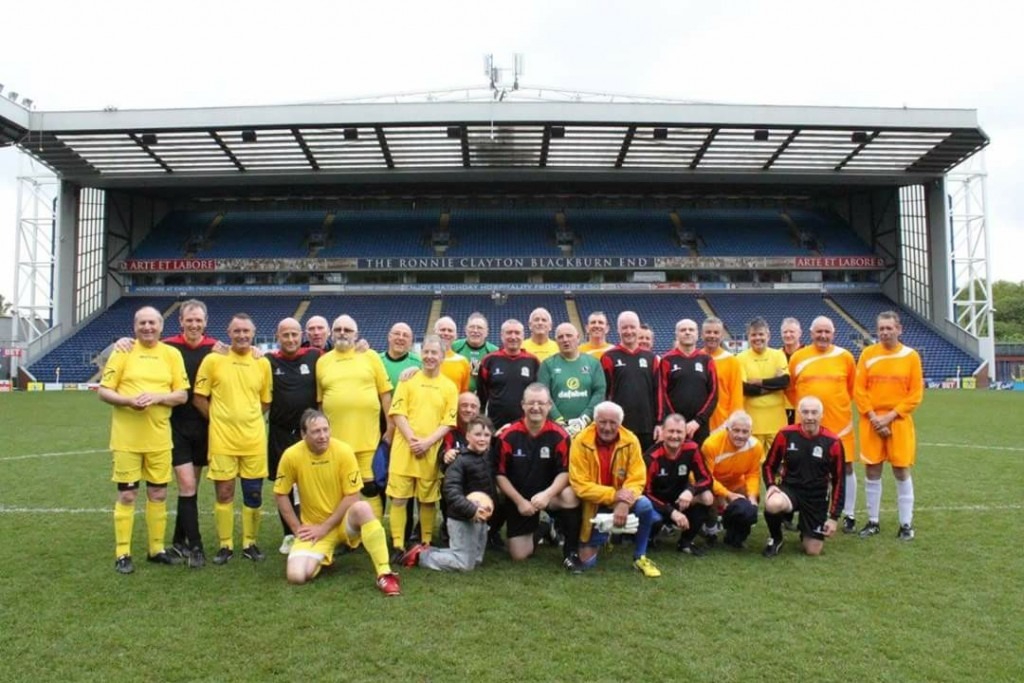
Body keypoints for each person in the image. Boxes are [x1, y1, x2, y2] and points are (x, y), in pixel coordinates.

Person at [98, 306, 189, 574]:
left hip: (160, 438)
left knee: (158, 493)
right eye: (142, 323)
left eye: (152, 323)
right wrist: (129, 401)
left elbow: (182, 394)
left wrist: (158, 397)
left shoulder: (171, 354)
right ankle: (122, 553)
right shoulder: (123, 351)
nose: (147, 327)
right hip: (127, 439)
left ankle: (156, 549)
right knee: (127, 495)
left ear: (161, 326)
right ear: (135, 326)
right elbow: (104, 391)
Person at [274, 409, 401, 596]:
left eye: (326, 429)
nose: (323, 436)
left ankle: (385, 573)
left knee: (363, 508)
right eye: (316, 431)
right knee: (296, 576)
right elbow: (280, 494)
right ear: (303, 434)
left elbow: (353, 496)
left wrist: (325, 527)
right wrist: (297, 529)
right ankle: (325, 555)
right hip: (314, 529)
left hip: (342, 523)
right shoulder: (291, 455)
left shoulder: (343, 451)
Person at [193, 313, 273, 565]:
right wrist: (218, 420)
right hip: (222, 441)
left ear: (253, 333)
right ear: (229, 333)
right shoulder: (213, 360)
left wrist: (247, 418)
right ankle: (225, 544)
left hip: (253, 440)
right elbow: (199, 397)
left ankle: (250, 543)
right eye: (237, 331)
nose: (241, 335)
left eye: (246, 331)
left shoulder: (262, 363)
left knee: (254, 495)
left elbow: (266, 400)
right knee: (224, 492)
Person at [495, 384, 584, 571]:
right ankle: (543, 527)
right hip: (520, 498)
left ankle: (571, 550)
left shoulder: (559, 435)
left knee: (571, 496)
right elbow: (500, 475)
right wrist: (519, 501)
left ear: (549, 405)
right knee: (519, 556)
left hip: (549, 497)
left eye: (541, 403)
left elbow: (565, 472)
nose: (536, 407)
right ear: (523, 405)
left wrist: (547, 494)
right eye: (531, 403)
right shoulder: (508, 435)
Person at [569, 401, 661, 578]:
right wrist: (614, 495)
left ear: (620, 423)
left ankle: (640, 556)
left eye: (613, 423)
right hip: (594, 504)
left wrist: (624, 501)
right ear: (595, 421)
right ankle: (605, 537)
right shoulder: (580, 441)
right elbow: (579, 484)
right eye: (602, 422)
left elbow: (637, 478)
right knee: (587, 563)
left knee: (645, 506)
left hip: (622, 499)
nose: (607, 427)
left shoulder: (631, 440)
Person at [853, 311, 924, 541]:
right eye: (881, 328)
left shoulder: (910, 356)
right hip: (871, 421)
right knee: (872, 470)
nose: (884, 332)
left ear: (899, 329)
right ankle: (873, 521)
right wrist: (875, 418)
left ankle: (906, 524)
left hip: (899, 422)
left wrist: (890, 417)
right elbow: (859, 390)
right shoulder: (867, 354)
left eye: (889, 328)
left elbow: (915, 394)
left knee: (901, 470)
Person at [386, 335, 458, 557]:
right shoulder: (408, 380)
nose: (429, 357)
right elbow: (398, 412)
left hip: (430, 450)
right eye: (426, 352)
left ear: (442, 356)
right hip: (404, 449)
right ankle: (398, 545)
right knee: (399, 498)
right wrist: (412, 440)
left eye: (434, 353)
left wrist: (427, 442)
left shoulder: (449, 387)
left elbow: (449, 421)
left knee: (427, 499)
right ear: (421, 354)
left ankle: (425, 543)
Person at [316, 314, 394, 519]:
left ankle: (371, 531)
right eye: (338, 329)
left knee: (370, 488)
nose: (342, 333)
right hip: (336, 442)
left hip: (367, 439)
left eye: (347, 330)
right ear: (331, 333)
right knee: (341, 490)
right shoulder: (322, 362)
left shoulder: (370, 356)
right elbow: (320, 402)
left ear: (356, 334)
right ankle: (347, 536)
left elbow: (385, 394)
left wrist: (390, 427)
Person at [786, 316, 858, 532]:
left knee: (845, 468)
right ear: (811, 333)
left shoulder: (845, 357)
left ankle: (849, 514)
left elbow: (852, 388)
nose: (823, 335)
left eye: (827, 332)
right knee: (805, 468)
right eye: (819, 331)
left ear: (833, 334)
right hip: (806, 427)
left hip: (840, 424)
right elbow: (791, 390)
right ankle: (799, 512)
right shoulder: (798, 357)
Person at [162, 299, 219, 567]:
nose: (194, 324)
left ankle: (177, 541)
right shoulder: (167, 347)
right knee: (186, 485)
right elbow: (141, 346)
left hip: (207, 428)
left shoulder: (216, 350)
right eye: (189, 320)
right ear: (181, 321)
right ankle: (196, 546)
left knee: (190, 488)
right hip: (176, 427)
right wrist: (122, 343)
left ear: (206, 322)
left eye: (199, 320)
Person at [402, 416, 497, 572]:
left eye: (486, 435)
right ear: (467, 436)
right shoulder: (459, 460)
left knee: (476, 560)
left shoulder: (486, 457)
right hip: (462, 518)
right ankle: (420, 556)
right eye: (478, 434)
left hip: (481, 517)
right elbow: (451, 491)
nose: (482, 439)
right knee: (464, 564)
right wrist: (471, 510)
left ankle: (428, 550)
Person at [761, 396, 845, 557]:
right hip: (790, 490)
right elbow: (768, 465)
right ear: (799, 414)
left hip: (817, 496)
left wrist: (834, 517)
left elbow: (839, 480)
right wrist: (771, 485)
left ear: (821, 415)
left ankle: (806, 529)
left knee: (813, 551)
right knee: (773, 503)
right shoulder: (785, 434)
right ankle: (776, 537)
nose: (810, 417)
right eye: (805, 412)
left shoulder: (832, 441)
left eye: (814, 412)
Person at [267, 317, 322, 554]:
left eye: (294, 334)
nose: (290, 339)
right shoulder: (267, 360)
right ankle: (290, 534)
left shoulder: (314, 356)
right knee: (285, 485)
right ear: (277, 336)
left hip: (308, 435)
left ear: (302, 336)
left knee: (312, 483)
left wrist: (361, 346)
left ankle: (314, 529)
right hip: (279, 434)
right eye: (285, 335)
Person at [644, 413, 714, 555]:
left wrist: (691, 490)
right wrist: (671, 511)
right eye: (671, 431)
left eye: (679, 432)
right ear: (662, 432)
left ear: (685, 433)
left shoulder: (692, 449)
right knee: (651, 515)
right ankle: (649, 538)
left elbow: (707, 479)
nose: (675, 436)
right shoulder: (651, 457)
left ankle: (686, 542)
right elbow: (645, 492)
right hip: (658, 504)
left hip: (680, 499)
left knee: (707, 497)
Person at [701, 410, 763, 549]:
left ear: (751, 432)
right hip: (713, 484)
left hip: (735, 483)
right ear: (728, 429)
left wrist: (752, 497)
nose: (740, 435)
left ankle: (735, 536)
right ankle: (709, 529)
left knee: (751, 503)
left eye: (745, 432)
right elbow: (706, 478)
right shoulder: (711, 445)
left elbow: (753, 474)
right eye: (736, 430)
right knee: (708, 497)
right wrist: (727, 495)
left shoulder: (755, 446)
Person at [601, 311, 660, 451]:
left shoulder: (651, 358)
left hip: (647, 426)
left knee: (644, 469)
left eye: (632, 327)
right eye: (624, 327)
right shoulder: (609, 357)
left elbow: (658, 393)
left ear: (638, 329)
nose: (629, 331)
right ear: (618, 330)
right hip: (619, 426)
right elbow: (604, 394)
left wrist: (660, 422)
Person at [537, 322, 606, 436]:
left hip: (587, 429)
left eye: (569, 335)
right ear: (556, 341)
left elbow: (599, 392)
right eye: (560, 337)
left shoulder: (593, 363)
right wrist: (559, 421)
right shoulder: (547, 365)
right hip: (557, 430)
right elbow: (543, 396)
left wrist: (584, 419)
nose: (565, 340)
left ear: (578, 337)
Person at [658, 318, 717, 446]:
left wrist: (698, 421)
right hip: (674, 427)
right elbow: (661, 394)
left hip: (699, 426)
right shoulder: (667, 360)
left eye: (691, 330)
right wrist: (675, 421)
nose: (687, 332)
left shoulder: (706, 360)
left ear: (697, 335)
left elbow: (713, 394)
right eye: (683, 330)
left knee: (699, 462)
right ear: (677, 334)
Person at [737, 316, 790, 451]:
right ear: (748, 337)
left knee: (778, 465)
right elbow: (745, 388)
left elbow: (784, 382)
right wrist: (773, 385)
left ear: (768, 335)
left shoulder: (778, 355)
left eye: (761, 334)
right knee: (753, 466)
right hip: (751, 423)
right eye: (753, 335)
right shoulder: (740, 358)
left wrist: (758, 382)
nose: (757, 338)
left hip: (777, 422)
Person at [477, 319, 540, 430]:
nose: (513, 336)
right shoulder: (489, 360)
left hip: (526, 425)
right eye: (509, 332)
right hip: (495, 425)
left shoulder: (533, 361)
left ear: (523, 336)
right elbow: (482, 394)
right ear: (501, 335)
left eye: (517, 333)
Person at [701, 316, 745, 433]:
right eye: (708, 332)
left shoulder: (731, 361)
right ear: (701, 335)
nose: (712, 335)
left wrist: (733, 422)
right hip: (698, 422)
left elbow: (736, 395)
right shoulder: (696, 358)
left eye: (716, 332)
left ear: (722, 335)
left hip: (722, 423)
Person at [451, 312, 498, 391]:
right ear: (466, 330)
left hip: (482, 400)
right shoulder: (454, 347)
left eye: (479, 328)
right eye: (472, 327)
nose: (475, 330)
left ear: (487, 332)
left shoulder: (494, 352)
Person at [434, 316, 471, 393]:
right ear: (435, 332)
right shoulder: (423, 359)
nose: (446, 333)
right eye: (442, 330)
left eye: (450, 331)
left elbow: (463, 392)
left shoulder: (462, 361)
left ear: (456, 336)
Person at [379, 322, 421, 388]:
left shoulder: (420, 363)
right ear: (389, 337)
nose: (401, 338)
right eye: (397, 334)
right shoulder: (376, 360)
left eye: (405, 335)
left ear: (410, 341)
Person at [780, 317, 803, 425]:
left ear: (799, 333)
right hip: (780, 407)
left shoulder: (807, 354)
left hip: (802, 407)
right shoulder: (776, 355)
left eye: (792, 332)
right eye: (785, 332)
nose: (788, 335)